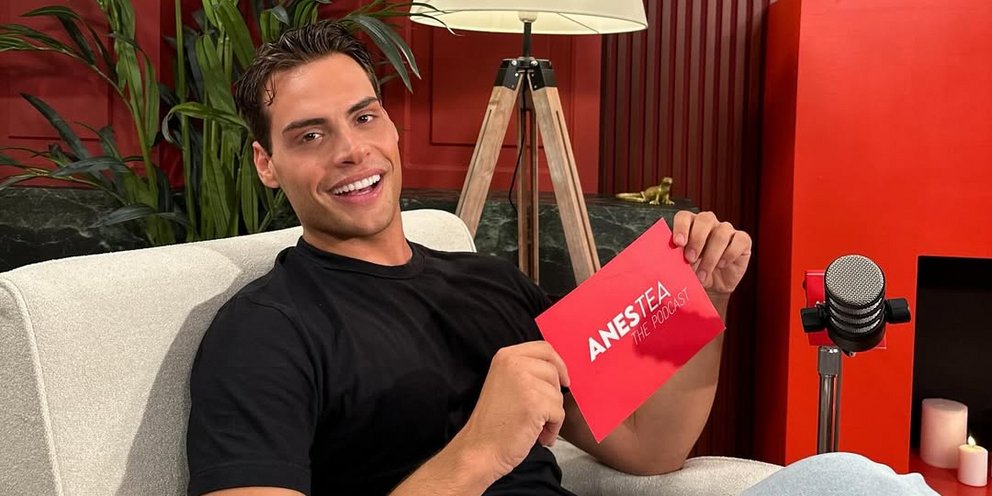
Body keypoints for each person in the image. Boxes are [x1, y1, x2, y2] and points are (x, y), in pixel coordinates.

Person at [186, 19, 767, 496]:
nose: (352, 150)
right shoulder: (263, 333)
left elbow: (649, 449)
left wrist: (704, 297)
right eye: (310, 136)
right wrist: (482, 450)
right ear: (266, 163)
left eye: (364, 117)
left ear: (391, 127)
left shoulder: (494, 284)